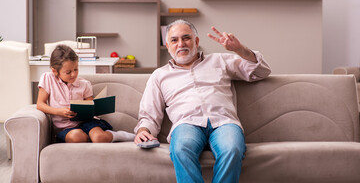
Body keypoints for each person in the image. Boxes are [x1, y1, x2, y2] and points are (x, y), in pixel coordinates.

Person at [134, 19, 271, 182]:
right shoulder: (159, 75)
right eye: (174, 40)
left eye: (186, 38)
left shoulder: (220, 61)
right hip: (186, 124)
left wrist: (239, 49)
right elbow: (149, 113)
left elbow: (262, 72)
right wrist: (143, 131)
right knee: (181, 149)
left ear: (196, 41)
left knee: (232, 149)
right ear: (167, 45)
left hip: (224, 122)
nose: (181, 44)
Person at [37, 44, 135, 143]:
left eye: (76, 69)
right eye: (68, 72)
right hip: (65, 129)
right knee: (77, 137)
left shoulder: (84, 84)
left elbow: (90, 107)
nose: (73, 74)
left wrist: (93, 108)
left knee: (99, 138)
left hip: (87, 123)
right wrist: (59, 111)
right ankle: (88, 139)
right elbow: (40, 104)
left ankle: (121, 135)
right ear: (55, 71)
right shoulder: (48, 78)